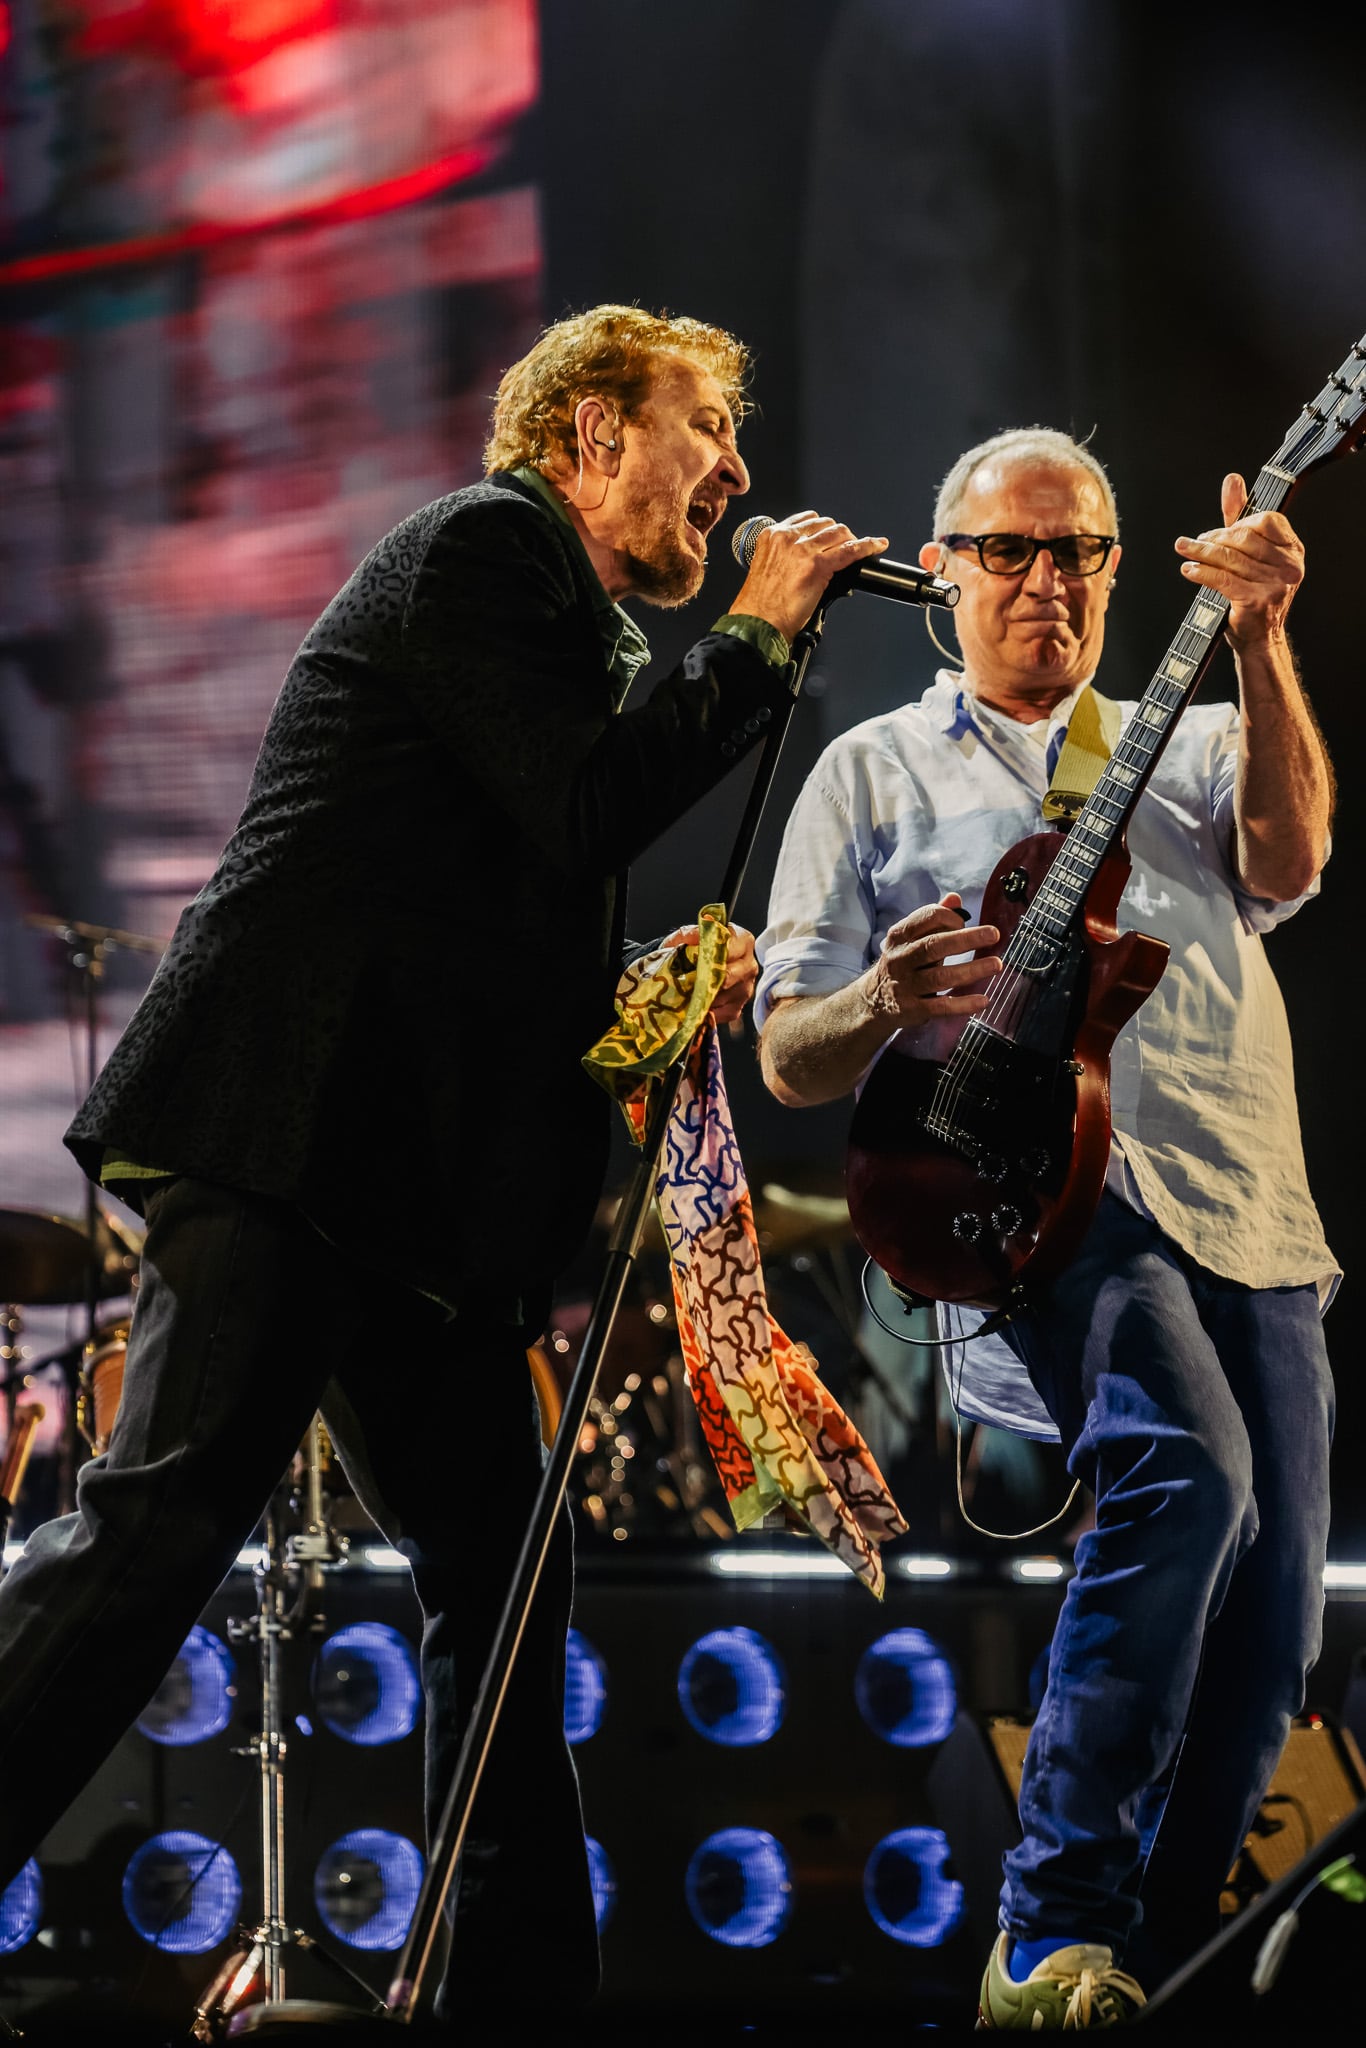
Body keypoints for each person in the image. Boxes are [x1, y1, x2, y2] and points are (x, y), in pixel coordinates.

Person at [0, 304, 886, 2024]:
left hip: (414, 1206)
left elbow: (499, 882)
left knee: (505, 1591)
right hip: (292, 1140)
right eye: (700, 423)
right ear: (585, 436)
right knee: (157, 1529)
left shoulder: (575, 633)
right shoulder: (487, 549)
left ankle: (515, 1997)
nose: (737, 470)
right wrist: (765, 636)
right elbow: (578, 804)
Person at [754, 426, 1336, 2028]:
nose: (1045, 580)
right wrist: (881, 996)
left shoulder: (1202, 735)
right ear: (939, 573)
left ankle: (1138, 1969)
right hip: (1037, 1203)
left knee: (1275, 1620)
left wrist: (1269, 641)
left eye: (1077, 548)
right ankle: (1049, 1915)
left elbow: (1290, 859)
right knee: (1181, 1468)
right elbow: (787, 1050)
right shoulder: (870, 769)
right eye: (1006, 551)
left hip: (1241, 1193)